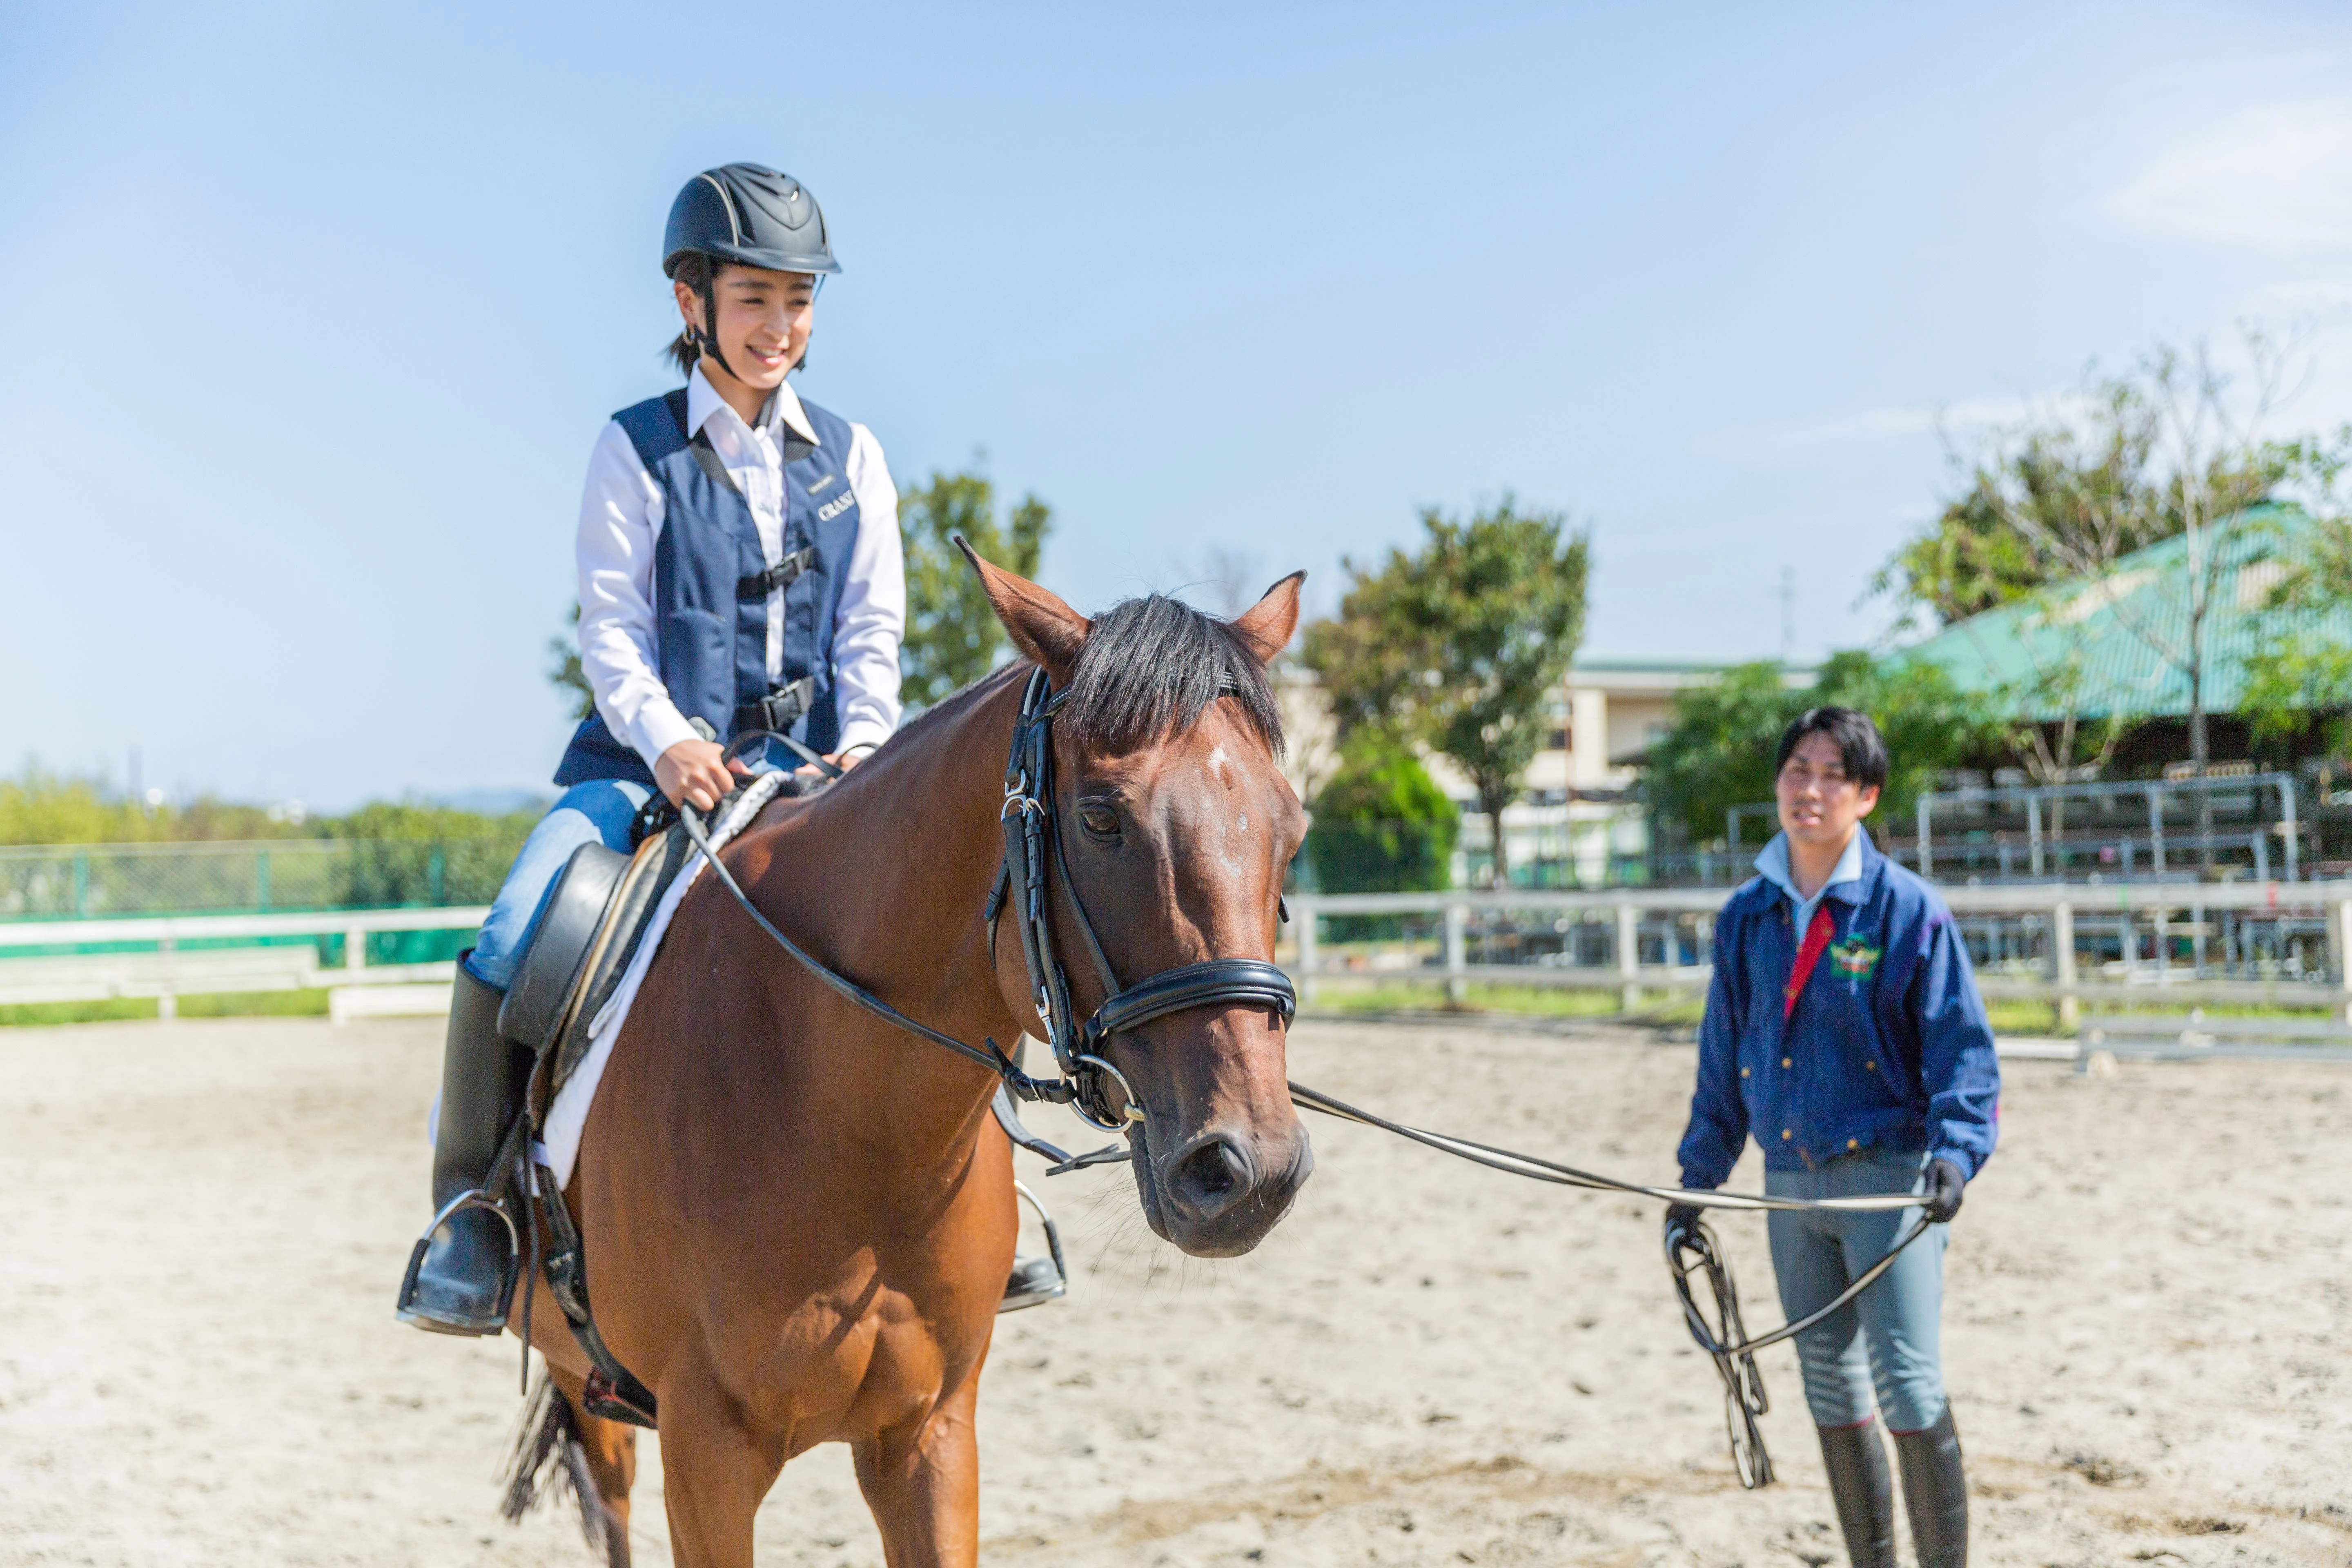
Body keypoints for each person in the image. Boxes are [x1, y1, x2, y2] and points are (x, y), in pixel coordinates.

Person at [397, 163, 907, 1334]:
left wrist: (869, 747)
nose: (780, 328)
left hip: (820, 782)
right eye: (754, 301)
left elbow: (873, 631)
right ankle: (472, 1216)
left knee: (942, 921)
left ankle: (997, 1205)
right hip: (644, 777)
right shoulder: (634, 451)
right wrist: (673, 743)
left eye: (798, 301)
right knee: (513, 929)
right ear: (694, 306)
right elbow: (612, 636)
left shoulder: (856, 459)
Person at [1667, 707, 1999, 1568]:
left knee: (1908, 1385)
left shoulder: (1907, 912)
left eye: (1831, 775)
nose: (1809, 790)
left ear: (1865, 796)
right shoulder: (1747, 916)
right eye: (1796, 771)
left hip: (1886, 1187)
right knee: (1827, 1384)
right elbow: (1723, 1061)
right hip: (1789, 1188)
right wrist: (1696, 1178)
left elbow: (1964, 1057)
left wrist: (1956, 1156)